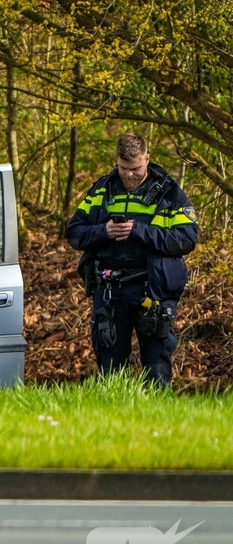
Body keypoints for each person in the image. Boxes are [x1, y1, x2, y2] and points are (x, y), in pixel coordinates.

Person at [67, 131, 198, 386]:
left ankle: (159, 419)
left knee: (156, 363)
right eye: (124, 168)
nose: (129, 174)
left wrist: (138, 231)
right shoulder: (101, 190)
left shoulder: (169, 193)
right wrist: (102, 231)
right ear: (117, 161)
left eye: (135, 168)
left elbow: (186, 238)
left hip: (152, 288)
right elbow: (74, 232)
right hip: (110, 289)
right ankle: (116, 421)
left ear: (147, 159)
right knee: (110, 366)